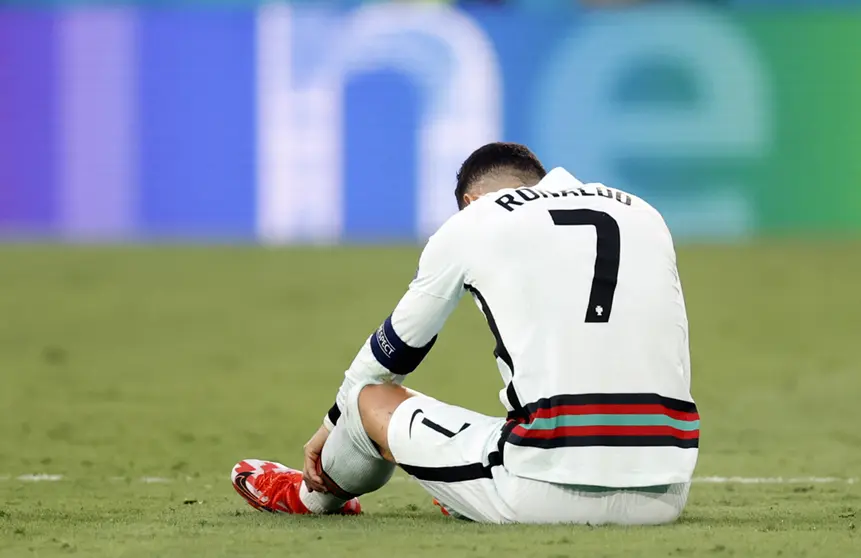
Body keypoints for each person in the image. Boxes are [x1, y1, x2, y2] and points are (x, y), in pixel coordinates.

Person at [231, 142, 699, 524]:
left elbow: (394, 352)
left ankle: (309, 496)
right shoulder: (645, 214)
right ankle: (461, 485)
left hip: (542, 490)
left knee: (368, 399)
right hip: (665, 492)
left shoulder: (477, 220)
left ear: (470, 202)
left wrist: (332, 422)